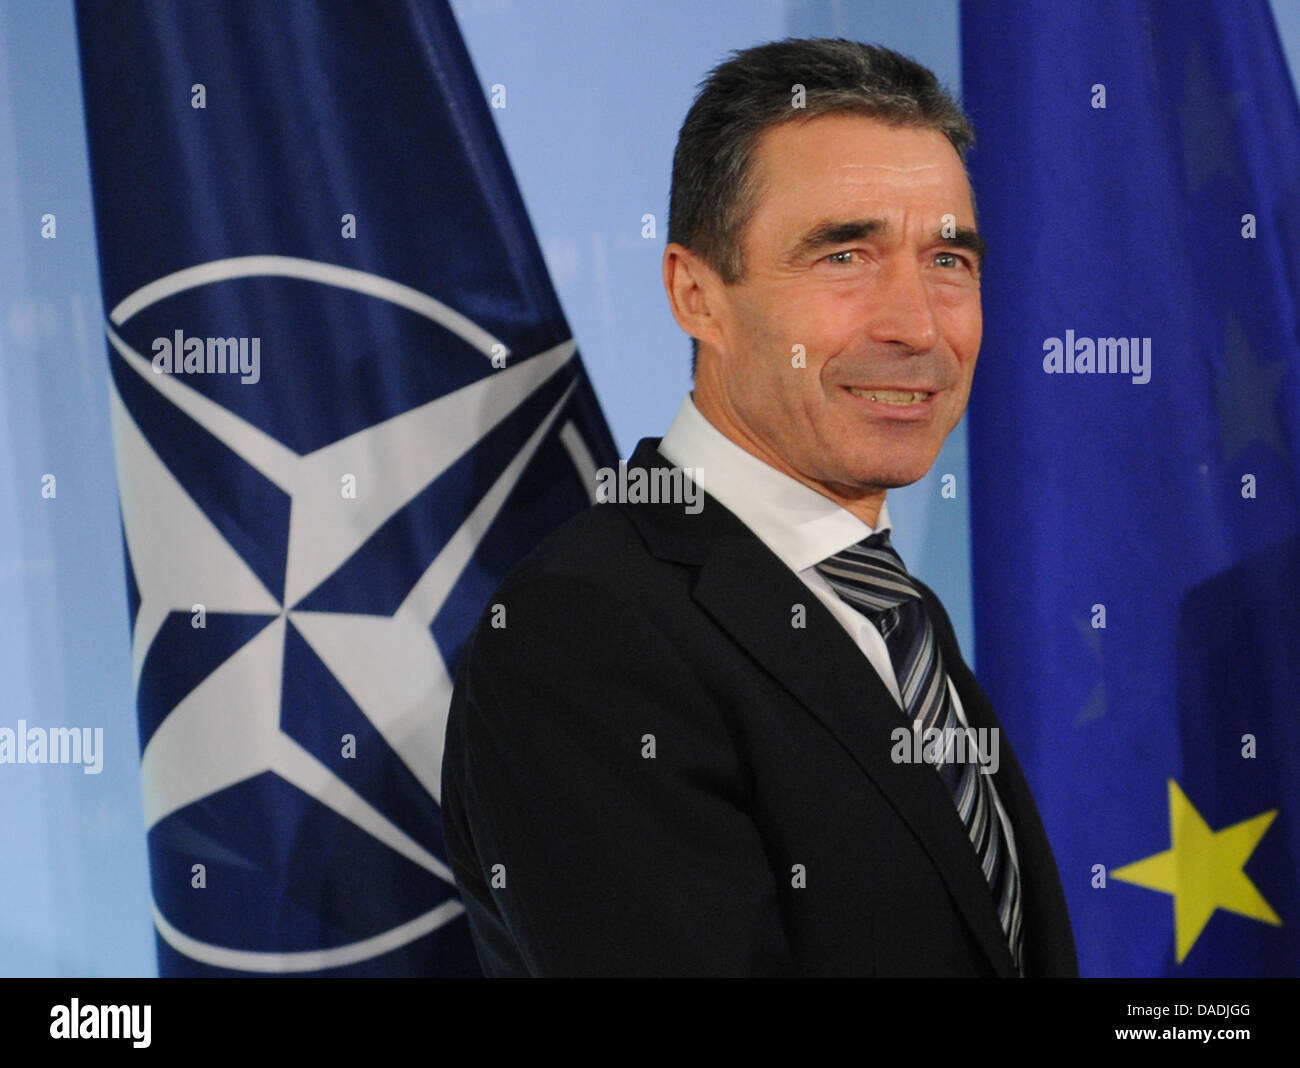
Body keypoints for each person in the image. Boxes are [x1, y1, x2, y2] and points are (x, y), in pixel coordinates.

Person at [440, 37, 1077, 977]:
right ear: (696, 295)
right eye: (845, 255)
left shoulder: (893, 610)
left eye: (948, 258)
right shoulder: (582, 634)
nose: (915, 323)